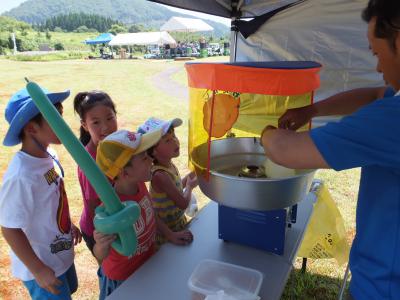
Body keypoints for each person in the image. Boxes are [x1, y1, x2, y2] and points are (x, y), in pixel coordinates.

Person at [261, 1, 400, 299]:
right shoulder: (392, 103)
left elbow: (284, 150)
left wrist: (264, 133)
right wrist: (311, 110)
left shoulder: (393, 119)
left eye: (377, 54)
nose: (377, 67)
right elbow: (375, 94)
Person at [0, 86, 82, 299]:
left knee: (70, 290)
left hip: (60, 251)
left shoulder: (49, 155)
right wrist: (37, 269)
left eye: (61, 115)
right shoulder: (21, 176)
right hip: (42, 266)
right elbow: (9, 227)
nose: (63, 124)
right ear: (31, 128)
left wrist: (68, 225)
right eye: (55, 118)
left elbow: (52, 199)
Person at [93, 129, 162, 299]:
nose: (152, 159)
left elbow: (152, 216)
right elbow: (100, 254)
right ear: (125, 173)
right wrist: (101, 245)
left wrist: (172, 235)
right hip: (122, 280)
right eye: (145, 158)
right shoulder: (111, 210)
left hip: (147, 266)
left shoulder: (140, 185)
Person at [138, 117, 197, 246]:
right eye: (168, 140)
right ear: (153, 151)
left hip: (178, 225)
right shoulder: (159, 175)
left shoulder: (168, 165)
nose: (175, 141)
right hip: (167, 236)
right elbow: (182, 203)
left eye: (174, 136)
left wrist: (195, 173)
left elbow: (176, 188)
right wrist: (190, 186)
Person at [73, 91, 118, 257]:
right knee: (110, 271)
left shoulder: (117, 146)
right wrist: (105, 232)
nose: (105, 127)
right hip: (99, 230)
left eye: (109, 118)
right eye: (96, 122)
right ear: (85, 125)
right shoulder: (89, 163)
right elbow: (94, 207)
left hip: (118, 219)